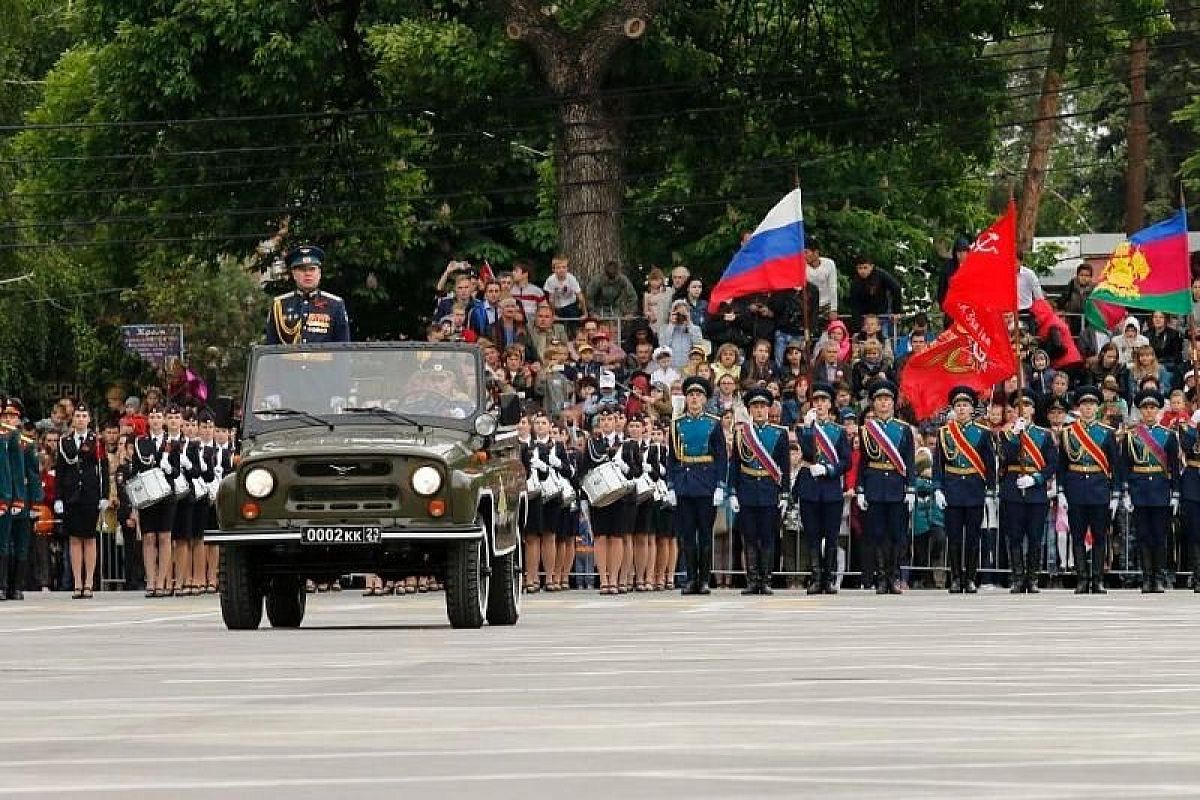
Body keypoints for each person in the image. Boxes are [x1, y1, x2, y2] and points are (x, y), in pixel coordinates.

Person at [1057, 385, 1122, 594]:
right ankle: (1082, 579)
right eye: (1084, 404)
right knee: (1077, 535)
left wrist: (1115, 493)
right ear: (1079, 407)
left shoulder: (1106, 432)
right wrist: (1060, 491)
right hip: (1075, 487)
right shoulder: (1068, 433)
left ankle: (1098, 579)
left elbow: (1115, 465)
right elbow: (1062, 464)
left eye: (1092, 404)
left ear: (1097, 407)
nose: (1088, 408)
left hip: (1099, 488)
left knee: (1099, 536)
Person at [666, 377, 727, 595]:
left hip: (706, 482)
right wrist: (671, 485)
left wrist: (721, 485)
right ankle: (690, 578)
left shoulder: (713, 422)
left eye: (698, 395)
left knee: (704, 533)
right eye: (690, 395)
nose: (694, 398)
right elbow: (672, 458)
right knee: (687, 534)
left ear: (704, 399)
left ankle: (703, 579)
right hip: (684, 482)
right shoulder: (676, 424)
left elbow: (721, 457)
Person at [727, 388, 790, 595]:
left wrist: (784, 493)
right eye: (755, 406)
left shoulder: (779, 433)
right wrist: (733, 491)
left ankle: (766, 579)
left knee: (768, 537)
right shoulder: (741, 433)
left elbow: (784, 466)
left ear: (769, 408)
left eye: (763, 406)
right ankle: (753, 580)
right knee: (750, 537)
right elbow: (735, 464)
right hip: (747, 489)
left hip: (769, 490)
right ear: (749, 410)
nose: (760, 410)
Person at [855, 380, 915, 594]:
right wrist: (860, 488)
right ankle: (881, 578)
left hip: (896, 485)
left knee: (897, 534)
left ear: (893, 403)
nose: (883, 403)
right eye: (879, 399)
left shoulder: (903, 429)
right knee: (877, 534)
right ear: (874, 403)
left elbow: (909, 460)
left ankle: (894, 576)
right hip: (874, 484)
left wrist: (911, 488)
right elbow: (862, 461)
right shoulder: (866, 430)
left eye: (887, 399)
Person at [933, 386, 995, 594]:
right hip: (952, 488)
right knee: (954, 537)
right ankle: (956, 577)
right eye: (958, 405)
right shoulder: (944, 433)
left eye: (965, 405)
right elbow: (938, 464)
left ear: (972, 409)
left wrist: (990, 491)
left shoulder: (983, 433)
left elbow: (989, 464)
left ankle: (970, 578)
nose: (961, 409)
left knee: (972, 537)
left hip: (974, 488)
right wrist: (938, 488)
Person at [793, 384, 852, 594]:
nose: (819, 405)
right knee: (812, 535)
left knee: (831, 536)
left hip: (831, 489)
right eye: (815, 401)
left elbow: (846, 461)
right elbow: (808, 454)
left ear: (830, 404)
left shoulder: (838, 431)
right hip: (809, 487)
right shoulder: (803, 429)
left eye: (823, 401)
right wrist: (809, 430)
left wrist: (828, 469)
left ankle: (828, 578)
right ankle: (816, 578)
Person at [998, 389, 1058, 594]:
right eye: (1017, 407)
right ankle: (1017, 578)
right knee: (1014, 536)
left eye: (1027, 406)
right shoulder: (1007, 435)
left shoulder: (1044, 434)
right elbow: (1005, 459)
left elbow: (1052, 464)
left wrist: (1036, 478)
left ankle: (1032, 579)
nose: (1022, 410)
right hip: (1013, 488)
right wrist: (1015, 436)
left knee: (1035, 537)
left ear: (1033, 409)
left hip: (1035, 490)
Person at [1121, 390, 1179, 593]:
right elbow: (1125, 465)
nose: (1149, 412)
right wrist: (1126, 491)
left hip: (1161, 489)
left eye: (1153, 408)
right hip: (1139, 488)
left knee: (1160, 536)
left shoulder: (1169, 436)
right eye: (1145, 408)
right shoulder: (1132, 435)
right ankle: (1146, 577)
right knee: (1144, 535)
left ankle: (1159, 576)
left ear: (1159, 410)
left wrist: (1175, 494)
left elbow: (1173, 466)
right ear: (1140, 411)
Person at [55, 404, 109, 598]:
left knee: (90, 538)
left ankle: (89, 583)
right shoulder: (65, 441)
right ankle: (77, 582)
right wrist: (58, 497)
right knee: (75, 539)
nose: (80, 419)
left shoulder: (97, 441)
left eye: (84, 415)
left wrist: (104, 495)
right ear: (73, 419)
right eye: (77, 415)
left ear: (89, 420)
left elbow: (103, 470)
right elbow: (60, 471)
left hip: (90, 494)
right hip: (71, 495)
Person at [264, 245, 351, 344]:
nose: (307, 274)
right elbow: (271, 345)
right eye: (302, 270)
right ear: (294, 274)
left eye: (312, 269)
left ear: (319, 273)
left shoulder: (335, 304)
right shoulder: (279, 304)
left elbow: (343, 346)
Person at [132, 407, 177, 597]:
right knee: (149, 537)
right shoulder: (141, 442)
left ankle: (162, 581)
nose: (156, 420)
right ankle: (150, 580)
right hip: (148, 495)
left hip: (166, 493)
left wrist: (169, 468)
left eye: (159, 417)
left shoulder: (172, 441)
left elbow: (177, 472)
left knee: (165, 537)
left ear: (164, 420)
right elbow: (136, 468)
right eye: (152, 417)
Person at [1176, 407, 1200, 593]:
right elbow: (1185, 445)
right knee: (1195, 532)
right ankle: (1198, 576)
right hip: (1193, 479)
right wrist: (1193, 425)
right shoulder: (1189, 427)